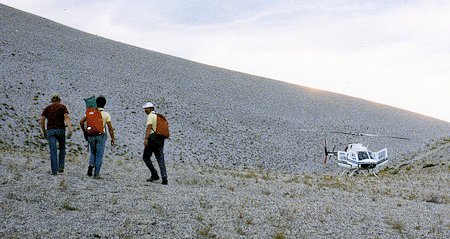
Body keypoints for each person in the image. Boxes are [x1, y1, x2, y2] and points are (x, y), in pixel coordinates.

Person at [80, 96, 115, 178]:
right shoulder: (106, 114)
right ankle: (96, 174)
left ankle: (91, 165)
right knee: (99, 155)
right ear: (104, 104)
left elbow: (81, 122)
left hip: (91, 135)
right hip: (101, 136)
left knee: (93, 152)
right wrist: (112, 138)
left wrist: (85, 131)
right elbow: (110, 128)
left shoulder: (90, 112)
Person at [40, 93, 73, 175]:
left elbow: (42, 121)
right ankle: (61, 167)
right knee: (62, 148)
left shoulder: (47, 108)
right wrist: (70, 129)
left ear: (52, 100)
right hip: (60, 130)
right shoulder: (62, 107)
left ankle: (54, 171)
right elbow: (66, 117)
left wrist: (44, 132)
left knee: (53, 150)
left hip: (50, 131)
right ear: (59, 99)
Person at [142, 102, 168, 185]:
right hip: (160, 138)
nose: (145, 110)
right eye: (145, 108)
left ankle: (154, 174)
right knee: (160, 158)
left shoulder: (150, 116)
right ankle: (164, 178)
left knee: (146, 157)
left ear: (151, 109)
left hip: (152, 138)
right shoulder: (157, 116)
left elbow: (149, 127)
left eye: (147, 108)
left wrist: (146, 138)